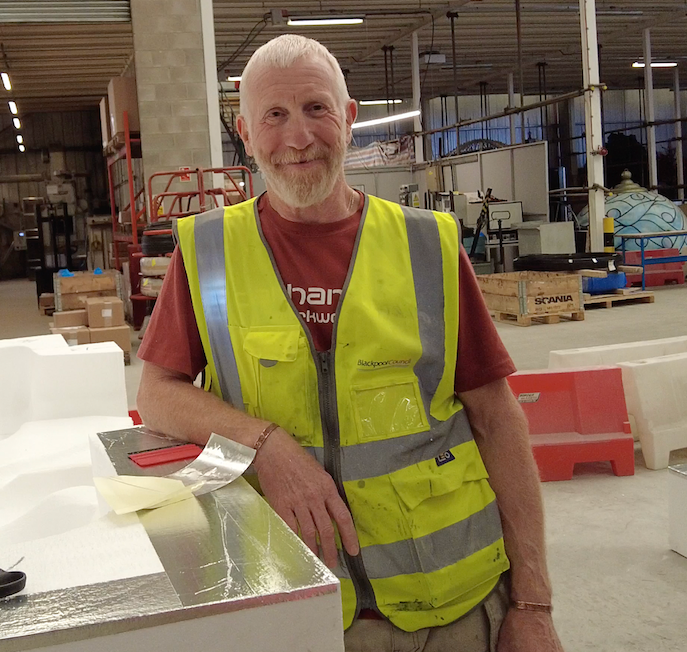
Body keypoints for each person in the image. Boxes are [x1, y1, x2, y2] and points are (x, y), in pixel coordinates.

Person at [136, 34, 563, 652]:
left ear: (350, 116)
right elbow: (157, 394)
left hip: (453, 608)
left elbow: (497, 419)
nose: (298, 137)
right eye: (275, 116)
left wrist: (533, 600)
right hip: (295, 607)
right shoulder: (207, 252)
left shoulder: (428, 245)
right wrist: (268, 447)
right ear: (246, 132)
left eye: (316, 109)